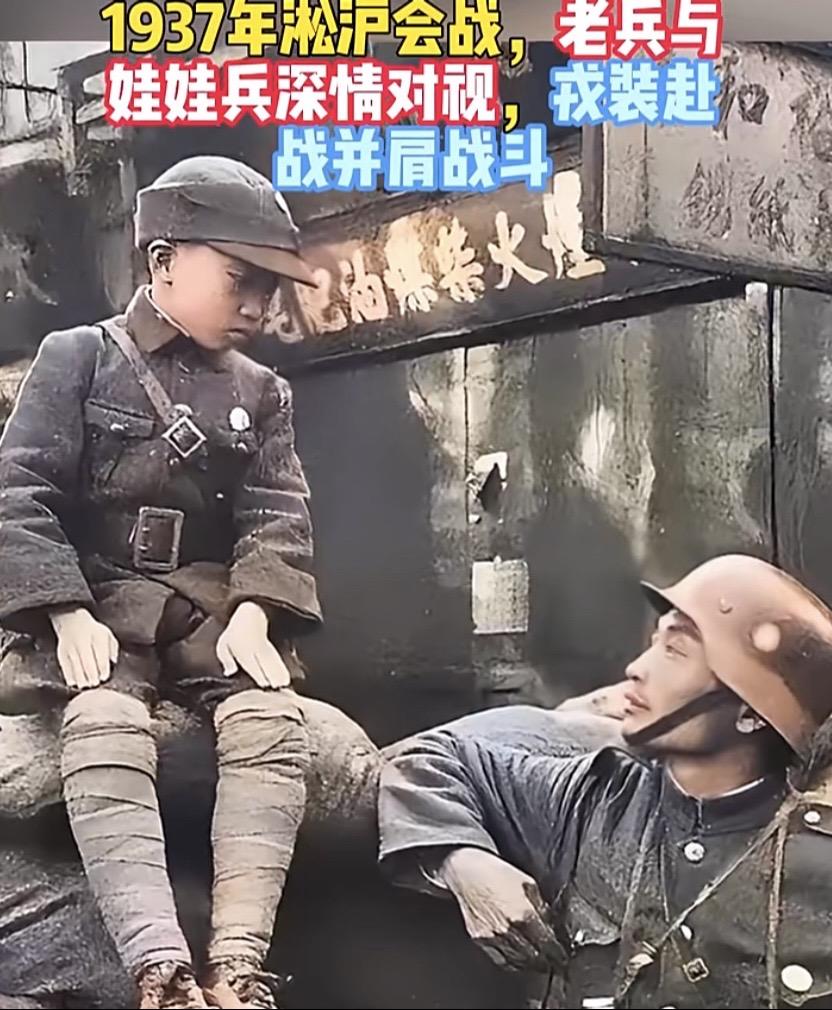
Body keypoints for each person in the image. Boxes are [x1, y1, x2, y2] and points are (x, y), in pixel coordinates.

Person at [0, 155, 323, 1010]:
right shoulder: (78, 357)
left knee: (270, 721)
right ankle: (161, 971)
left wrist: (256, 611)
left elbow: (276, 514)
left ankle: (239, 965)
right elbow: (19, 492)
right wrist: (63, 612)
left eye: (270, 287)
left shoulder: (263, 393)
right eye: (241, 279)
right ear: (163, 261)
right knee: (103, 723)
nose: (258, 304)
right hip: (101, 606)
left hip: (204, 614)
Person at [378, 554, 832, 1008]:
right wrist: (464, 864)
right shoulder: (592, 802)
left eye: (675, 651)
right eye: (655, 643)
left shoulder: (818, 862)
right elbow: (424, 762)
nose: (637, 668)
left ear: (750, 714)